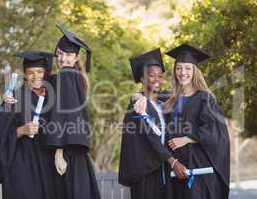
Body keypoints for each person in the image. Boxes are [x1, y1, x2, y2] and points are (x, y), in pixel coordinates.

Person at [0, 51, 58, 199]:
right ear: (25, 74)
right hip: (21, 166)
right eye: (30, 72)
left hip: (47, 165)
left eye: (40, 71)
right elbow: (0, 137)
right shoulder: (14, 99)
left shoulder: (54, 98)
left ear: (46, 73)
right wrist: (20, 130)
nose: (36, 76)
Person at [118, 48, 188, 199]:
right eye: (151, 75)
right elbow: (151, 139)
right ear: (142, 78)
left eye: (160, 76)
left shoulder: (164, 105)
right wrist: (174, 162)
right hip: (146, 173)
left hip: (163, 171)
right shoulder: (137, 107)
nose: (157, 79)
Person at [164, 43, 230, 199]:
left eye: (187, 68)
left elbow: (216, 132)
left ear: (195, 71)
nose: (183, 72)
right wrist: (138, 97)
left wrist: (186, 139)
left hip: (198, 170)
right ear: (174, 71)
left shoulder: (204, 98)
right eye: (179, 68)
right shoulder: (170, 101)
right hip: (175, 171)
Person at [45, 24, 101, 199]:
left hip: (65, 153)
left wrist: (59, 152)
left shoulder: (66, 76)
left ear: (76, 57)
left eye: (68, 55)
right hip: (76, 154)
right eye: (60, 54)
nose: (63, 59)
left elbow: (64, 115)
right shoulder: (76, 78)